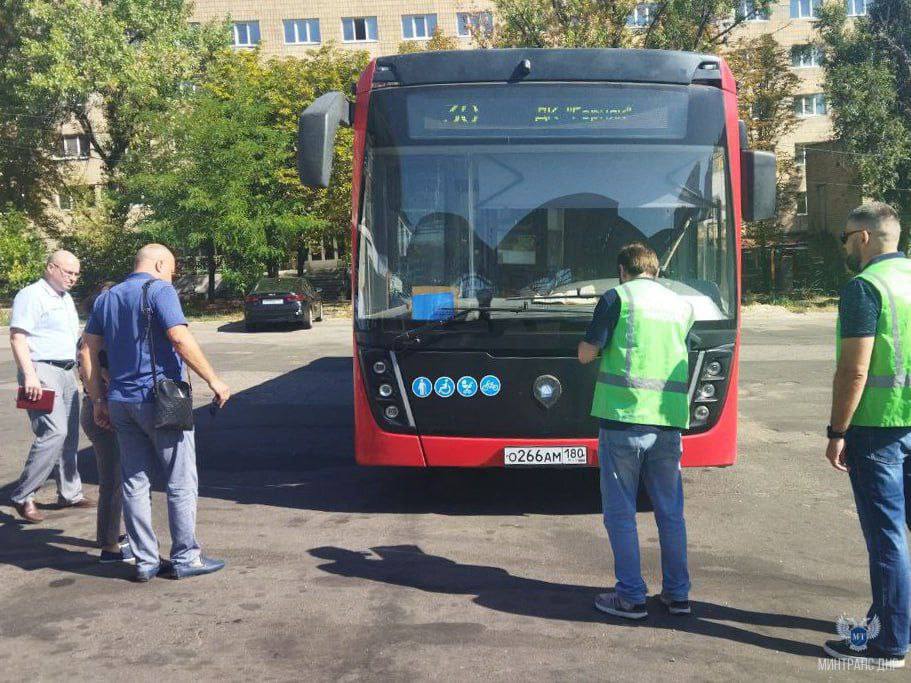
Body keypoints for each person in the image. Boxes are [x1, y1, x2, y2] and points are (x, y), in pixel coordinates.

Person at [81, 244, 230, 582]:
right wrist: (214, 380)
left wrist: (97, 399)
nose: (172, 276)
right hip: (161, 400)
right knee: (180, 479)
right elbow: (179, 338)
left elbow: (88, 348)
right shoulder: (159, 290)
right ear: (160, 263)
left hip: (121, 401)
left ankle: (145, 561)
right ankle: (185, 557)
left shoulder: (108, 297)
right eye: (172, 269)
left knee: (134, 482)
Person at [578, 242, 694, 620]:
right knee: (670, 512)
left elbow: (587, 353)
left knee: (620, 512)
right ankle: (678, 596)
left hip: (623, 419)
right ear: (655, 270)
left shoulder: (617, 298)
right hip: (669, 421)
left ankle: (630, 597)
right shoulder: (682, 304)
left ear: (623, 271)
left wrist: (585, 347)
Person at [821, 203, 910, 670]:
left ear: (863, 238)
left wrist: (838, 431)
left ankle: (889, 644)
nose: (844, 247)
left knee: (886, 538)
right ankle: (897, 619)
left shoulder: (865, 287)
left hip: (878, 429)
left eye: (844, 237)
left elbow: (854, 370)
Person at [9, 250, 93, 523]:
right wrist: (30, 375)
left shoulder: (65, 298)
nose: (73, 278)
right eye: (69, 272)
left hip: (66, 371)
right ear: (50, 268)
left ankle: (69, 492)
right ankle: (23, 495)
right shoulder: (31, 295)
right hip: (41, 370)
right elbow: (18, 337)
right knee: (53, 432)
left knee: (68, 436)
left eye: (77, 273)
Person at [78, 282, 132, 563]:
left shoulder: (95, 335)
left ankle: (113, 535)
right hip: (103, 412)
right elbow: (96, 372)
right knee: (113, 480)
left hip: (100, 409)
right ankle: (110, 547)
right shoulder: (93, 340)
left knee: (117, 477)